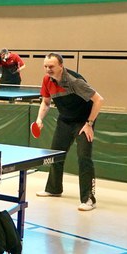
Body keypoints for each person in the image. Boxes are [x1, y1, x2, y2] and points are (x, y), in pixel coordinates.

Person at [35, 53, 104, 212]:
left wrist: (89, 124)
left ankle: (88, 199)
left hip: (83, 121)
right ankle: (53, 189)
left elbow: (99, 100)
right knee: (55, 154)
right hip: (65, 120)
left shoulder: (74, 81)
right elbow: (46, 102)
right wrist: (39, 119)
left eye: (51, 66)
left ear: (61, 65)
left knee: (84, 157)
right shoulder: (47, 80)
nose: (48, 69)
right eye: (45, 66)